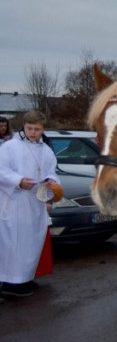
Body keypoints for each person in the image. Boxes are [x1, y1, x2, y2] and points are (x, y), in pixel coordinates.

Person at [0, 111, 61, 298]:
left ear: (43, 129)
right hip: (15, 202)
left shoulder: (46, 150)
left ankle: (26, 277)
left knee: (32, 242)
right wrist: (18, 181)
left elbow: (52, 170)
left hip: (36, 202)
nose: (33, 132)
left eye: (37, 129)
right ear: (23, 127)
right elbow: (1, 169)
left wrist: (51, 181)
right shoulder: (10, 147)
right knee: (15, 243)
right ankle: (11, 283)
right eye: (29, 128)